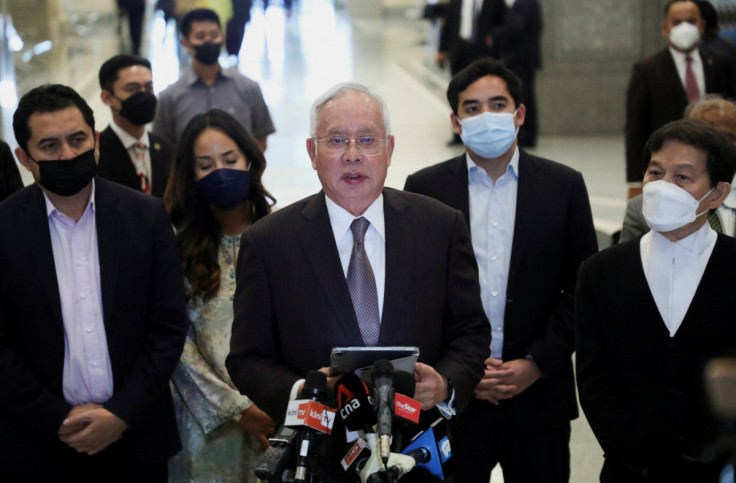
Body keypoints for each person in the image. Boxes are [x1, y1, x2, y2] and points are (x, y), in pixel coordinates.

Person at [225, 82, 491, 479]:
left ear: (389, 149)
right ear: (313, 153)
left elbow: (470, 332)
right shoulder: (268, 242)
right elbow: (247, 358)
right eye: (336, 141)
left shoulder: (440, 226)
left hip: (417, 453)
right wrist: (307, 391)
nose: (353, 155)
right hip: (318, 458)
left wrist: (445, 385)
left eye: (367, 139)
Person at [404, 58, 598, 482]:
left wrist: (536, 363)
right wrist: (461, 373)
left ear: (519, 114)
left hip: (538, 395)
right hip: (452, 400)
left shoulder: (563, 186)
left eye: (498, 104)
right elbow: (416, 292)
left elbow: (580, 289)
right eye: (472, 108)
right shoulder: (425, 188)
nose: (486, 116)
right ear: (456, 122)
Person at [0, 84, 188, 481]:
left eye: (77, 139)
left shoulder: (147, 217)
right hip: (41, 443)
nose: (67, 154)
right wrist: (56, 417)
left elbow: (168, 327)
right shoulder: (4, 228)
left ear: (96, 141)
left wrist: (121, 413)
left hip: (136, 436)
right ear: (25, 158)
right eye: (49, 146)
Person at [577, 118, 736, 483]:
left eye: (682, 177)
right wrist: (636, 455)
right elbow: (594, 378)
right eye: (655, 172)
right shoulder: (601, 271)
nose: (663, 187)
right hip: (630, 469)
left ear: (717, 193)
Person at [165, 108, 275, 481]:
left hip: (279, 418)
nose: (220, 172)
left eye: (230, 160)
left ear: (249, 159)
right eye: (205, 164)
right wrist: (238, 410)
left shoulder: (287, 236)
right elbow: (177, 347)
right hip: (208, 430)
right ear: (190, 174)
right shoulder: (175, 250)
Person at [624, 0, 736, 199]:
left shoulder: (719, 63)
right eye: (677, 22)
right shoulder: (647, 70)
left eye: (691, 21)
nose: (685, 27)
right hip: (669, 170)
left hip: (716, 166)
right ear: (665, 29)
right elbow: (635, 128)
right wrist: (634, 181)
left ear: (701, 26)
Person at [152, 8, 275, 152]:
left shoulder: (249, 88)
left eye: (214, 35)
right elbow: (162, 147)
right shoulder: (170, 97)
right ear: (185, 43)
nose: (208, 40)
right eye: (200, 36)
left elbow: (261, 139)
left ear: (221, 37)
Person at [621, 95, 736, 242]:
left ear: (719, 193)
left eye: (726, 137)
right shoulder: (640, 208)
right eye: (699, 136)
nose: (713, 145)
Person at [97, 54, 174, 198]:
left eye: (149, 87)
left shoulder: (167, 149)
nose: (144, 95)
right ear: (107, 98)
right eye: (132, 89)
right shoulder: (96, 153)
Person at [436, 0, 506, 144]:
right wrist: (442, 50)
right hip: (460, 52)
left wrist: (493, 37)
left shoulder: (495, 2)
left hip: (484, 53)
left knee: (484, 95)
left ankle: (485, 132)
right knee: (458, 94)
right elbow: (448, 24)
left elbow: (504, 23)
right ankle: (458, 133)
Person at [488, 0, 542, 147]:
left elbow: (516, 28)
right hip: (521, 60)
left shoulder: (525, 3)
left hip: (522, 60)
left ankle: (527, 135)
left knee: (525, 97)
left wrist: (495, 35)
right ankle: (524, 133)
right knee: (523, 97)